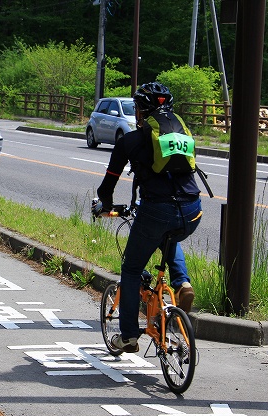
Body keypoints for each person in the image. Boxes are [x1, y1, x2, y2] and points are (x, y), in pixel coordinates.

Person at [94, 82, 202, 353]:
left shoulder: (129, 141)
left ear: (140, 111)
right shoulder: (181, 137)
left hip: (157, 209)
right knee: (169, 236)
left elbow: (107, 186)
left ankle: (129, 335)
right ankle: (182, 283)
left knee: (131, 269)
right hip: (192, 209)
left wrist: (104, 205)